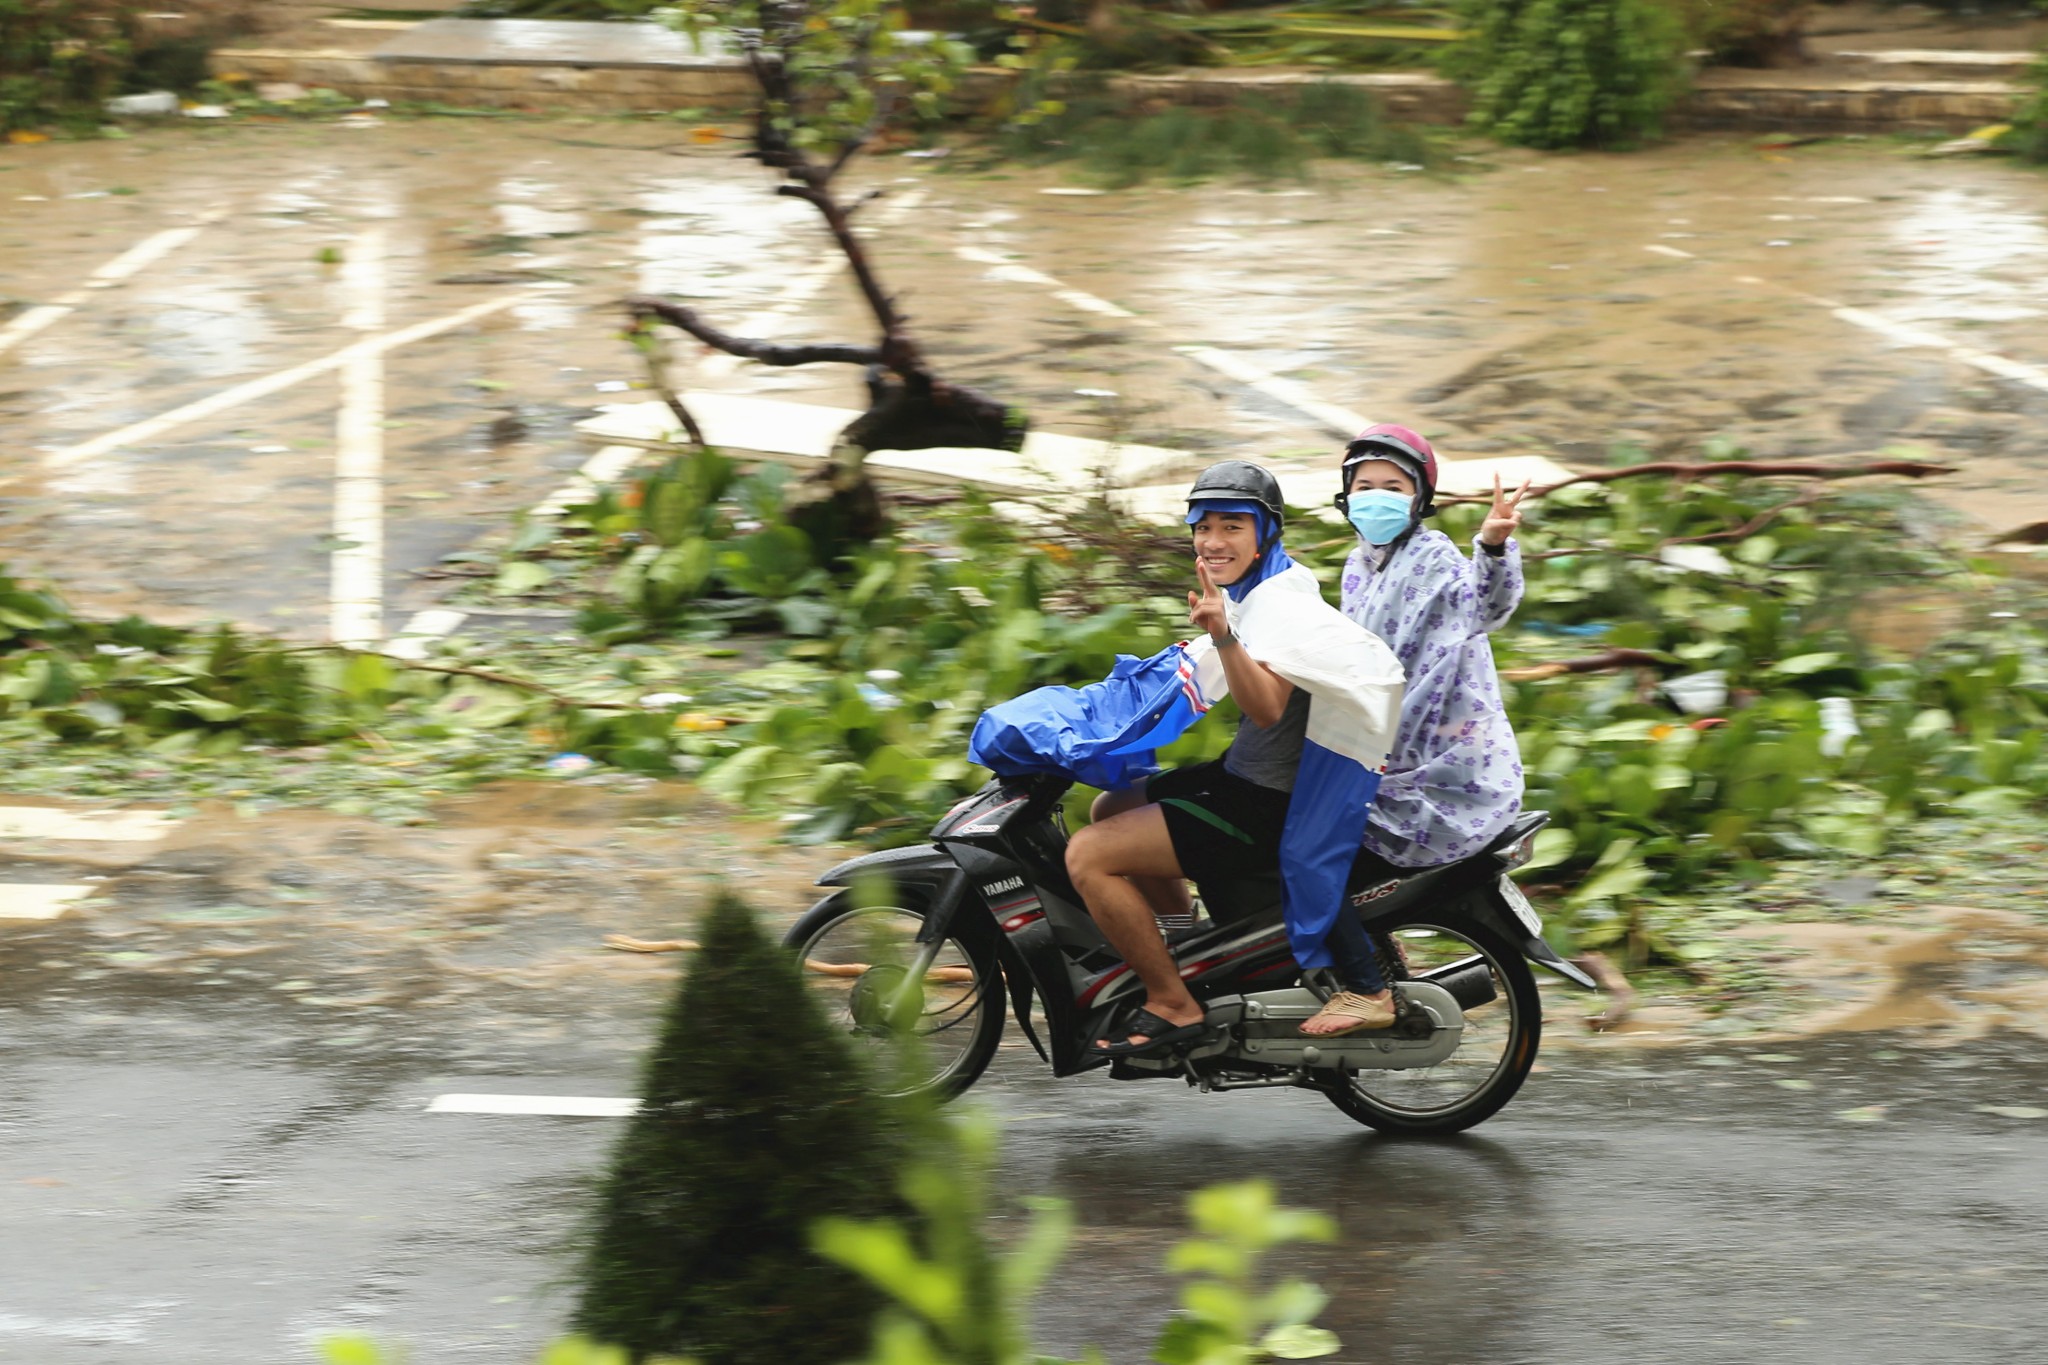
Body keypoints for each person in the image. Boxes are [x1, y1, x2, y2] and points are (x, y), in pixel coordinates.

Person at [1063, 461, 1407, 1053]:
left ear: (1265, 533)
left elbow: (1269, 706)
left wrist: (1222, 634)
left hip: (1264, 802)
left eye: (1232, 527)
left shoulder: (1280, 606)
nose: (1213, 541)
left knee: (1088, 856)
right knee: (1110, 805)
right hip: (1241, 775)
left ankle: (1172, 1002)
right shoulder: (1261, 587)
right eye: (1203, 527)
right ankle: (1185, 947)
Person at [1333, 423, 1529, 875]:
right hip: (1381, 752)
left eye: (1393, 487)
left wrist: (1493, 546)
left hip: (1440, 767)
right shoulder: (1358, 566)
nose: (1376, 496)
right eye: (1364, 486)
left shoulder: (1433, 556)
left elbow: (1485, 605)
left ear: (1418, 499)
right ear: (1347, 495)